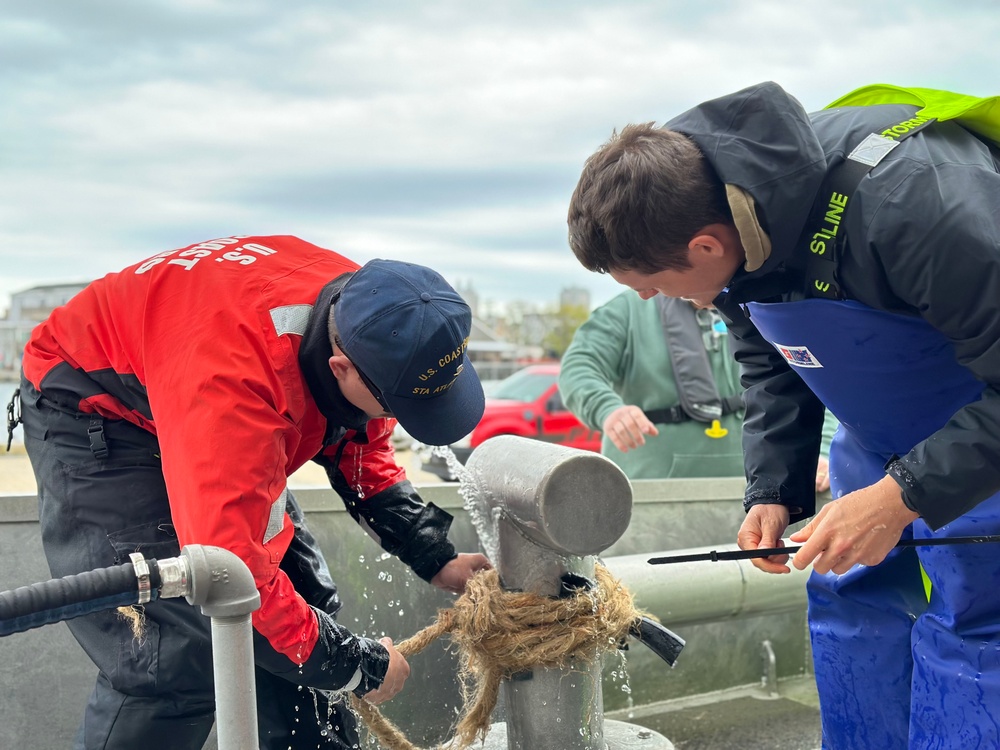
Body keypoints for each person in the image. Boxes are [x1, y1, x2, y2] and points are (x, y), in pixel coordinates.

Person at [565, 82, 1000, 749]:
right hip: (875, 444)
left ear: (707, 248)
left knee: (979, 630)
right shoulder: (731, 223)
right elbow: (775, 359)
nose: (652, 299)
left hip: (982, 441)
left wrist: (904, 495)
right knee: (848, 597)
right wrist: (773, 489)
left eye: (649, 284)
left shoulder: (919, 202)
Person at [5, 234, 491, 750]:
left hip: (189, 375)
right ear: (341, 368)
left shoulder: (380, 314)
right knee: (174, 664)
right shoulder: (236, 390)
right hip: (93, 408)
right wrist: (359, 667)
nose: (397, 421)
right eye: (395, 405)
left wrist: (435, 555)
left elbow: (361, 443)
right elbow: (232, 570)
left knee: (308, 609)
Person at [559, 289, 836, 487]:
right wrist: (608, 410)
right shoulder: (626, 310)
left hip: (756, 491)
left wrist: (821, 453)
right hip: (650, 496)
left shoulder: (757, 302)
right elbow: (579, 367)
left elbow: (817, 380)